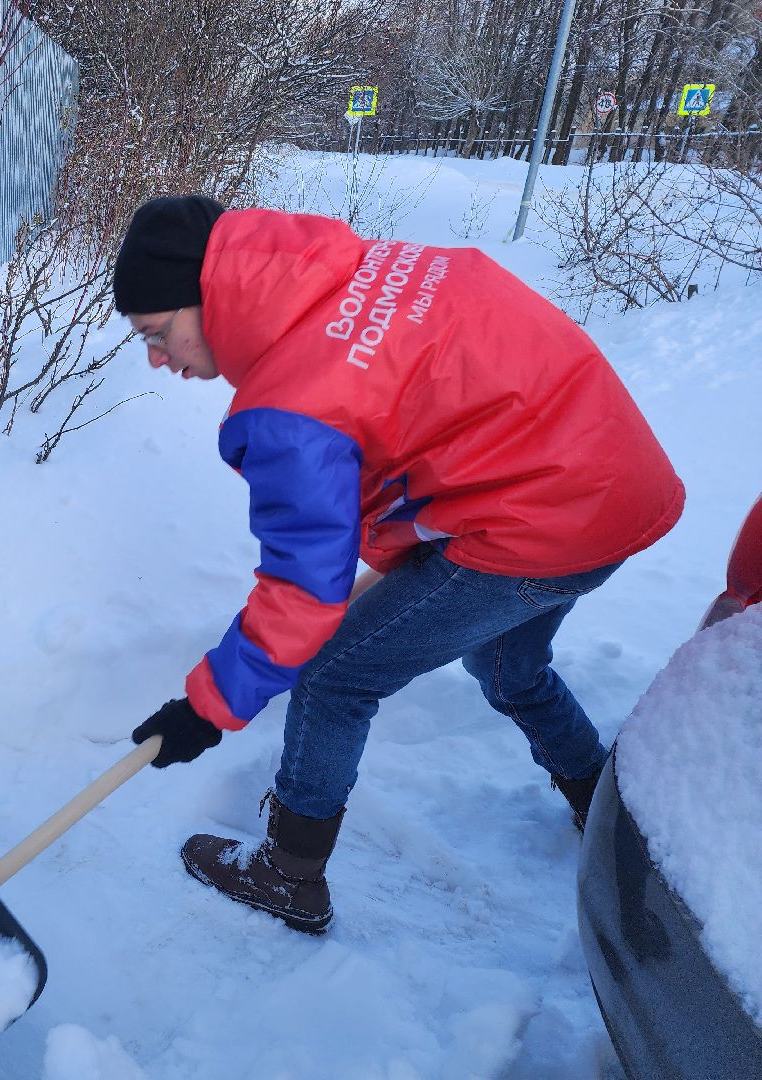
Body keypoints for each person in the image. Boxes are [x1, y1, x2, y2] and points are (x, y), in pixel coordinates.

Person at [116, 195, 684, 934]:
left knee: (335, 672)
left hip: (536, 520)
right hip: (612, 484)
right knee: (508, 668)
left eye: (158, 334)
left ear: (209, 298)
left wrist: (209, 706)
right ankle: (602, 799)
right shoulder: (365, 268)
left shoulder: (295, 404)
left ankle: (290, 874)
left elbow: (301, 591)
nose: (159, 361)